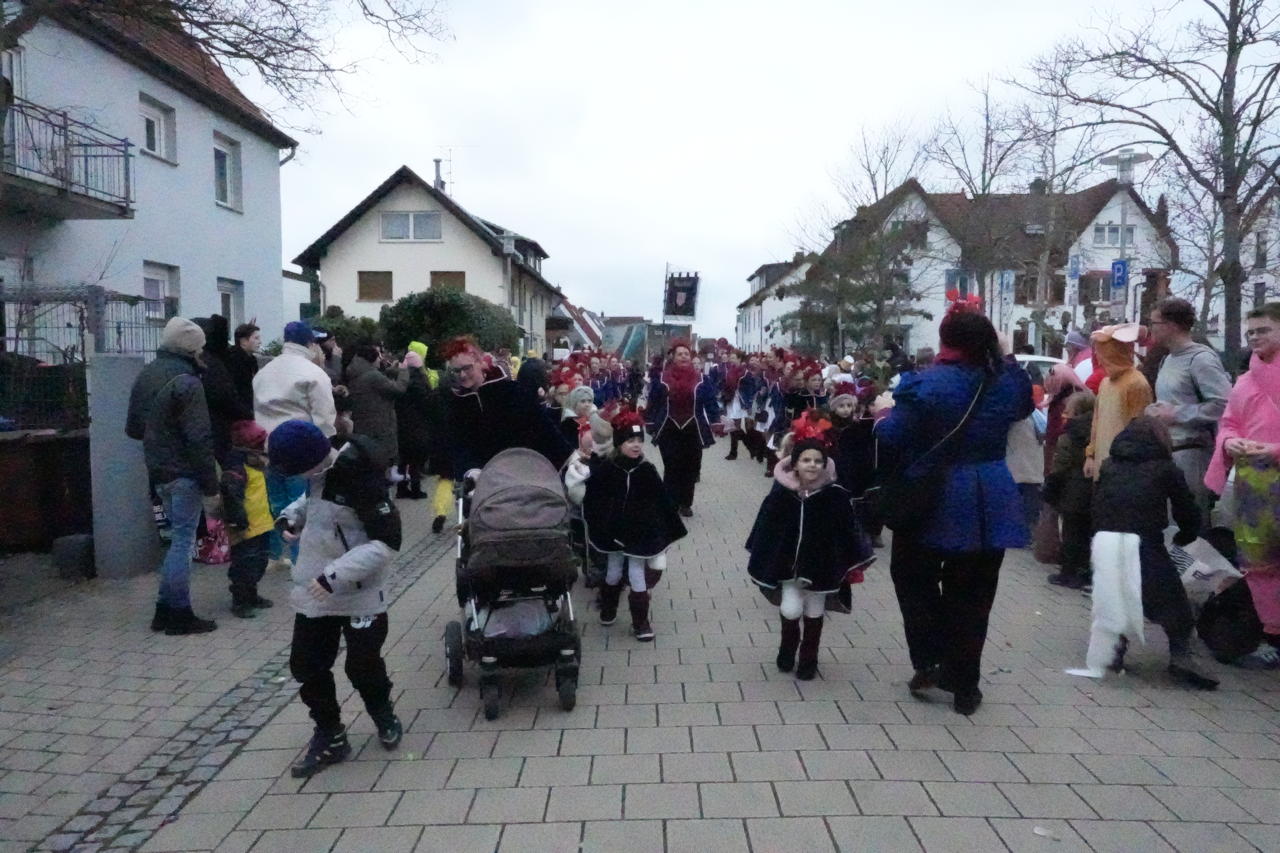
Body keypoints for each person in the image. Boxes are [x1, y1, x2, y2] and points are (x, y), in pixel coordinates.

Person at [876, 305, 1033, 715]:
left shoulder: (924, 384)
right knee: (976, 593)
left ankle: (930, 658)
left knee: (912, 578)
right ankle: (966, 684)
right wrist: (1003, 351)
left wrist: (880, 419)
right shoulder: (1008, 381)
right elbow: (1021, 408)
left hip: (933, 493)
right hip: (991, 493)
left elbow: (893, 436)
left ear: (945, 340)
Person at [269, 421, 404, 778]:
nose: (297, 477)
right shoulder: (319, 473)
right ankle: (330, 733)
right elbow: (312, 502)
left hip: (358, 592)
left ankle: (382, 712)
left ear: (314, 460)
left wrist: (335, 577)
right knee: (306, 664)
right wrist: (291, 517)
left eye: (298, 470)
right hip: (316, 590)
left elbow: (387, 542)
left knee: (362, 666)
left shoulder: (359, 477)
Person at [1085, 417, 1218, 689]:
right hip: (1143, 545)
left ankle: (1113, 650)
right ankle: (1183, 656)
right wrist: (1187, 535)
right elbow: (1186, 511)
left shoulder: (1110, 466)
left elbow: (1097, 506)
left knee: (1116, 596)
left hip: (1106, 542)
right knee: (1174, 605)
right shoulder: (1166, 469)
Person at [748, 421, 873, 679]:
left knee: (815, 610)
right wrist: (763, 552)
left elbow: (848, 528)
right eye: (806, 460)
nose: (812, 465)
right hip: (788, 567)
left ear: (825, 464)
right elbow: (767, 526)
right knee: (790, 609)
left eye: (818, 461)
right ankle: (788, 646)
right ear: (794, 463)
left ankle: (809, 657)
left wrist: (856, 555)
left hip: (822, 566)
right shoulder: (782, 494)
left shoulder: (835, 495)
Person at [125, 316, 220, 635]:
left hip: (158, 470)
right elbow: (199, 437)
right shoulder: (188, 382)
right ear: (192, 349)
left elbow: (133, 429)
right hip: (184, 472)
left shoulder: (147, 374)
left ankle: (163, 612)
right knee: (182, 542)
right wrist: (211, 484)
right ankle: (178, 614)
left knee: (174, 541)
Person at [565, 411, 686, 641]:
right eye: (630, 441)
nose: (636, 445)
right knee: (613, 571)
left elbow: (661, 499)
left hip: (640, 533)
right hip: (613, 532)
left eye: (640, 441)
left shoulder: (646, 469)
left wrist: (668, 527)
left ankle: (640, 622)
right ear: (619, 442)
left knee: (636, 572)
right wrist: (581, 480)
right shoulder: (609, 469)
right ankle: (609, 608)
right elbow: (593, 494)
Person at [1205, 303, 1280, 669]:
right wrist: (1229, 442)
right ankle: (1272, 636)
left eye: (1262, 330)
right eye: (1250, 332)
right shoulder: (1245, 381)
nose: (1253, 338)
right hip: (1253, 487)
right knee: (1258, 563)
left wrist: (1274, 450)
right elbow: (1229, 422)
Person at [254, 321, 338, 568]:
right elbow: (325, 418)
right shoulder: (313, 373)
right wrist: (326, 454)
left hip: (268, 449)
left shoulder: (264, 372)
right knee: (302, 506)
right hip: (303, 452)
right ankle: (301, 558)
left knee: (275, 504)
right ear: (310, 344)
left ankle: (274, 554)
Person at [1145, 298, 1232, 527]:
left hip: (1192, 452)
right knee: (1170, 524)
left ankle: (1196, 562)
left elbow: (1225, 404)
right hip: (1168, 451)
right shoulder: (1167, 358)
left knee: (1189, 524)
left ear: (1171, 325)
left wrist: (1176, 414)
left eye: (1154, 322)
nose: (1150, 327)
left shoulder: (1200, 359)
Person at [443, 336, 571, 477]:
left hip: (519, 472)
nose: (462, 375)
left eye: (467, 368)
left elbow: (541, 425)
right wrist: (470, 470)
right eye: (456, 371)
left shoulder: (510, 390)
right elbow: (458, 443)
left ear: (479, 362)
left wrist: (570, 458)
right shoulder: (457, 402)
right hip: (482, 482)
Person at [644, 340, 719, 517]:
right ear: (673, 357)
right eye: (680, 354)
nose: (684, 356)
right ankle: (670, 503)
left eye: (687, 354)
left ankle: (685, 503)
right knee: (671, 466)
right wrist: (649, 421)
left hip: (693, 429)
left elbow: (710, 402)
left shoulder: (702, 379)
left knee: (691, 467)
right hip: (668, 428)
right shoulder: (662, 379)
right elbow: (653, 402)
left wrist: (716, 420)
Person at [220, 420, 275, 617]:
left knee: (258, 561)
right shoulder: (237, 465)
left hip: (261, 523)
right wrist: (237, 520)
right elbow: (232, 494)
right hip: (245, 525)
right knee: (244, 564)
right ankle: (240, 600)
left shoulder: (256, 463)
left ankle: (251, 594)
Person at [1084, 323, 1151, 480]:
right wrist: (1091, 455)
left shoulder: (1136, 384)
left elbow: (1140, 430)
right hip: (1104, 466)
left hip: (1125, 470)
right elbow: (1097, 422)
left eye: (1103, 355)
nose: (1100, 361)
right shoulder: (1105, 383)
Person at [1043, 391, 1096, 589]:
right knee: (1086, 533)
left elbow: (1060, 466)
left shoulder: (1070, 435)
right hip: (1092, 490)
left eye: (1068, 411)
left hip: (1071, 490)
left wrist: (1050, 489)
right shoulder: (1097, 433)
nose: (1064, 415)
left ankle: (1068, 573)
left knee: (1071, 533)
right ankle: (1084, 571)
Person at [345, 343, 410, 472]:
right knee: (380, 466)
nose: (381, 359)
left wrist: (390, 371)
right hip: (379, 427)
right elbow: (398, 389)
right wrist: (404, 371)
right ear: (372, 358)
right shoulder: (373, 377)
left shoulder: (356, 372)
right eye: (378, 356)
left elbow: (379, 380)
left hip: (363, 425)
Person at [395, 348, 432, 499]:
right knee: (416, 459)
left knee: (403, 459)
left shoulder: (400, 380)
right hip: (418, 423)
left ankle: (401, 488)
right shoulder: (420, 382)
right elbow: (426, 402)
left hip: (401, 423)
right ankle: (416, 489)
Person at [228, 322, 261, 412]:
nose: (260, 342)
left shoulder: (252, 359)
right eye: (256, 338)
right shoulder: (233, 360)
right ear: (243, 341)